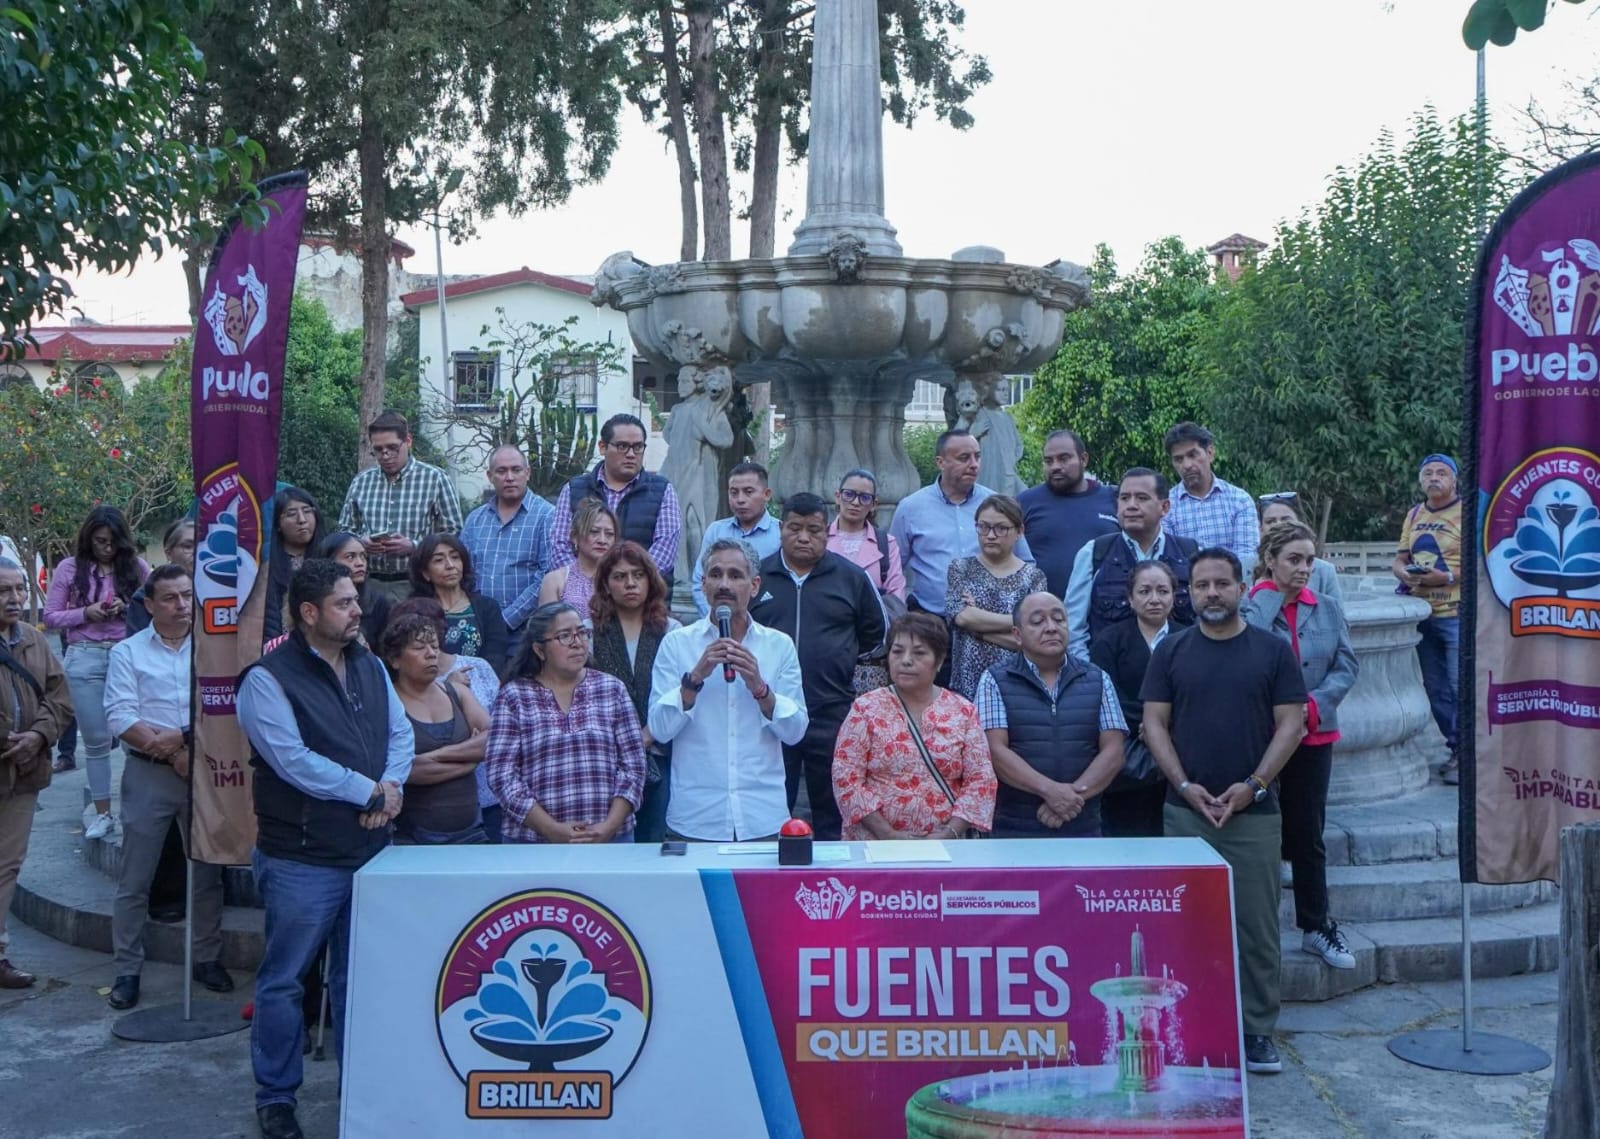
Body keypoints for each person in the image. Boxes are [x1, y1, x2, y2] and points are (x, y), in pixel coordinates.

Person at [237, 559, 413, 1139]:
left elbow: (400, 732)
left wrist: (389, 789)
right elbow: (292, 761)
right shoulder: (266, 678)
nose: (358, 609)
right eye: (344, 603)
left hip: (369, 850)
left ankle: (358, 1093)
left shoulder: (368, 662)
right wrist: (369, 789)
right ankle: (277, 1098)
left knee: (358, 983)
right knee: (286, 981)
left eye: (355, 599)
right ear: (309, 614)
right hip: (302, 860)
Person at [1140, 547, 1308, 1076]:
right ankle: (1185, 1026)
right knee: (1181, 929)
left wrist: (1254, 785)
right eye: (1201, 585)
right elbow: (1153, 725)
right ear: (1189, 594)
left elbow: (1292, 725)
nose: (1211, 593)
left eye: (1221, 584)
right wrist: (1185, 785)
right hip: (1185, 812)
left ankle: (1257, 1030)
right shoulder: (1170, 651)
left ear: (1241, 588)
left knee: (1257, 928)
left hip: (1253, 815)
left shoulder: (1273, 651)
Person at [103, 564, 231, 1010]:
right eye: (171, 599)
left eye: (186, 597)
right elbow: (120, 716)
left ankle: (207, 958)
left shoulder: (214, 648)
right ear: (150, 604)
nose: (181, 606)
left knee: (207, 872)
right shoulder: (128, 653)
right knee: (135, 876)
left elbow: (222, 707)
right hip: (149, 774)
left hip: (206, 769)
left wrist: (181, 739)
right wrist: (172, 751)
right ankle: (126, 969)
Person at [1245, 521, 1360, 970]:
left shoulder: (1327, 607)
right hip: (1265, 740)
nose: (1304, 568)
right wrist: (1270, 594)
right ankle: (1258, 930)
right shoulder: (1251, 607)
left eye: (1309, 560)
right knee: (1262, 832)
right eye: (1293, 559)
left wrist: (1312, 706)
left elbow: (1346, 665)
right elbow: (1246, 659)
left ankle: (1316, 926)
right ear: (1270, 560)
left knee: (1308, 834)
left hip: (1314, 735)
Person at [648, 539, 808, 841]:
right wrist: (693, 680)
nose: (724, 584)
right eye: (715, 574)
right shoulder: (677, 643)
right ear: (703, 584)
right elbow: (659, 730)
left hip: (762, 818)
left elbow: (795, 731)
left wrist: (761, 689)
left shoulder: (778, 645)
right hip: (696, 819)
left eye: (735, 575)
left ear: (754, 585)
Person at [751, 493, 886, 840]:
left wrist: (837, 660)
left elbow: (875, 634)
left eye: (813, 530)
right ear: (781, 529)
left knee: (831, 802)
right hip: (769, 709)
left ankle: (830, 877)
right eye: (795, 528)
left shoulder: (851, 578)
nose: (804, 537)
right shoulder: (757, 577)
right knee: (771, 802)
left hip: (831, 708)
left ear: (826, 532)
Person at [484, 603, 647, 844]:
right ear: (539, 650)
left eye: (582, 632)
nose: (577, 642)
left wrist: (610, 826)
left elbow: (634, 765)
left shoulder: (611, 689)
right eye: (564, 636)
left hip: (611, 838)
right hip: (532, 842)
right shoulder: (514, 696)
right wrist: (550, 829)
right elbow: (502, 774)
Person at [832, 613, 995, 840]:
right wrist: (887, 833)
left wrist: (951, 832)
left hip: (947, 846)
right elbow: (845, 777)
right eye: (897, 651)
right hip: (874, 844)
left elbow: (981, 779)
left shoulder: (963, 711)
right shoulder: (865, 708)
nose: (906, 660)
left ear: (938, 661)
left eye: (919, 653)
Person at [977, 592, 1126, 837]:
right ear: (1017, 635)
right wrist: (1049, 791)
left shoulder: (1097, 678)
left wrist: (1071, 797)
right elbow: (994, 750)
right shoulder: (995, 679)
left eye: (1059, 619)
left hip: (1084, 823)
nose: (1051, 628)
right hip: (1015, 826)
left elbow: (1114, 752)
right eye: (1037, 622)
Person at [43, 505, 149, 836]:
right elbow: (50, 617)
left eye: (112, 541)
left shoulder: (136, 567)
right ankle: (103, 814)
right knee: (97, 741)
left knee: (139, 737)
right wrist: (85, 613)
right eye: (100, 540)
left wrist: (126, 604)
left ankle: (139, 809)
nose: (106, 547)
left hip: (127, 654)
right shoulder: (69, 568)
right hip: (84, 656)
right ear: (89, 538)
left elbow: (153, 606)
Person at [0, 558, 73, 990]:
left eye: (20, 590)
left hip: (26, 770)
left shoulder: (32, 639)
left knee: (7, 866)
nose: (14, 599)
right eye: (4, 591)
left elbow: (60, 696)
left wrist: (39, 736)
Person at [888, 430, 1034, 641]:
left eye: (977, 456)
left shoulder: (996, 504)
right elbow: (893, 569)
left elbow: (1025, 562)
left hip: (990, 626)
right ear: (941, 462)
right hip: (931, 624)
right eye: (964, 458)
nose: (974, 464)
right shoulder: (911, 508)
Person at [388, 597, 504, 841]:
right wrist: (468, 761)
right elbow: (405, 770)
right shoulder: (389, 704)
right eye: (419, 648)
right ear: (395, 659)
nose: (431, 654)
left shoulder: (456, 691)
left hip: (473, 833)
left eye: (434, 645)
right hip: (413, 840)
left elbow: (494, 739)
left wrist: (437, 756)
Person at [587, 542, 679, 843]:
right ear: (605, 584)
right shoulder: (586, 633)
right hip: (603, 756)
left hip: (660, 752)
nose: (630, 584)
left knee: (653, 842)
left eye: (638, 575)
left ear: (650, 580)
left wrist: (645, 736)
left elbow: (680, 694)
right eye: (620, 576)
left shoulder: (672, 631)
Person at [1066, 467, 1198, 664]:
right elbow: (1073, 628)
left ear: (1165, 507)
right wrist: (1092, 677)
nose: (1131, 506)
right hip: (1110, 680)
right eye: (1124, 498)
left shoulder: (1189, 553)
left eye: (1142, 498)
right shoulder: (1095, 553)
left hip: (1181, 676)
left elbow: (1202, 620)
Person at [1090, 561, 1178, 839]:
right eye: (1145, 591)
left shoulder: (1189, 637)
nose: (1154, 599)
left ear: (1174, 596)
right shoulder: (1109, 640)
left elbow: (1200, 694)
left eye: (1163, 591)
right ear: (1130, 598)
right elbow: (1106, 693)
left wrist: (1166, 726)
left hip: (1181, 747)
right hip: (1129, 751)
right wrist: (1150, 725)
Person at [337, 411, 463, 601]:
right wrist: (362, 543)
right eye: (378, 450)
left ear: (408, 441)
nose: (385, 455)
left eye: (392, 448)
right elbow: (344, 532)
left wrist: (415, 546)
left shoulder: (435, 478)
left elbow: (453, 534)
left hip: (415, 584)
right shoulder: (361, 482)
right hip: (368, 585)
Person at [1391, 454, 1462, 784]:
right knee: (1435, 689)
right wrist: (1406, 574)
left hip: (1456, 613)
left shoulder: (1467, 511)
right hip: (1422, 614)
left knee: (1461, 685)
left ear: (1454, 480)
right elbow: (1400, 558)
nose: (1434, 478)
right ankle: (1455, 748)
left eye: (1441, 473)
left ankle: (1469, 756)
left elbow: (1481, 559)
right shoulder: (1415, 514)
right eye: (1428, 473)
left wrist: (1445, 578)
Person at [550, 412, 682, 588]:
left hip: (641, 601)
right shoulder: (574, 489)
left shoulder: (662, 490)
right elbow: (560, 546)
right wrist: (587, 586)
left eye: (638, 447)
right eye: (622, 446)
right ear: (602, 447)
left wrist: (622, 584)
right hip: (581, 599)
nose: (631, 454)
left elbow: (663, 553)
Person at [945, 494, 1048, 700]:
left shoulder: (1033, 578)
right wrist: (1020, 621)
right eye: (983, 527)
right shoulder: (961, 568)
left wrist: (979, 630)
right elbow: (963, 617)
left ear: (1019, 531)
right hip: (967, 684)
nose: (990, 535)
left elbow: (1030, 640)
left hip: (1016, 684)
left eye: (1001, 528)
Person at [459, 445, 555, 638]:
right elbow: (463, 572)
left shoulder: (547, 516)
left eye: (516, 470)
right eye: (501, 471)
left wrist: (505, 620)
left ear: (527, 473)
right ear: (490, 476)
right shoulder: (475, 520)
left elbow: (547, 576)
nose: (509, 477)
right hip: (478, 627)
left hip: (525, 631)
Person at [1017, 429, 1119, 596]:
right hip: (1043, 615)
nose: (1055, 466)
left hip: (1105, 613)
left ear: (1084, 459)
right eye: (1048, 461)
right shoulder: (1024, 503)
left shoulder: (1114, 499)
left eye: (1064, 458)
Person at [1162, 422, 1259, 571]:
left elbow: (1246, 560)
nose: (1187, 465)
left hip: (1232, 589)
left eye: (1193, 455)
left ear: (1210, 453)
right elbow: (1169, 562)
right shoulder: (1166, 506)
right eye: (1179, 459)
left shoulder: (1239, 500)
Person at [409, 533, 510, 674]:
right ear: (425, 572)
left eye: (455, 557)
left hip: (480, 685)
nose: (450, 565)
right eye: (439, 560)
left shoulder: (488, 607)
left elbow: (495, 659)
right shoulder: (414, 611)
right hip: (431, 687)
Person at [691, 461, 780, 617]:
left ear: (766, 494)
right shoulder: (716, 531)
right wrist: (718, 620)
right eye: (734, 492)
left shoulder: (780, 534)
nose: (740, 499)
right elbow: (700, 582)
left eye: (748, 492)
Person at [828, 468, 906, 600]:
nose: (855, 502)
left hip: (872, 618)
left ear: (873, 504)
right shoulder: (820, 538)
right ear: (838, 497)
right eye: (848, 494)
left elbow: (896, 595)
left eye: (864, 498)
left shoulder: (886, 544)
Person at [263, 487, 327, 640]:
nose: (302, 520)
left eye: (307, 511)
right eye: (291, 514)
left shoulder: (329, 557)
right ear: (277, 523)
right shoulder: (267, 565)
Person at [538, 498, 618, 615]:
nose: (602, 540)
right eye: (594, 532)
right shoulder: (555, 581)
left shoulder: (622, 579)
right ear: (575, 536)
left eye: (609, 534)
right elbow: (546, 629)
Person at [1257, 492, 1341, 598]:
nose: (1278, 525)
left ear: (1299, 523)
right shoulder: (1242, 568)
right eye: (1270, 521)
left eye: (1286, 519)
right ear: (1261, 529)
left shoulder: (1325, 572)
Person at [318, 531, 391, 649]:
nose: (360, 563)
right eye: (350, 557)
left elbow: (386, 651)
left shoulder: (378, 602)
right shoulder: (314, 599)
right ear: (329, 561)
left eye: (363, 556)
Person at [125, 518, 197, 634]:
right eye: (188, 546)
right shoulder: (145, 596)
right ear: (168, 553)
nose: (197, 551)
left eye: (203, 545)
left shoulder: (222, 590)